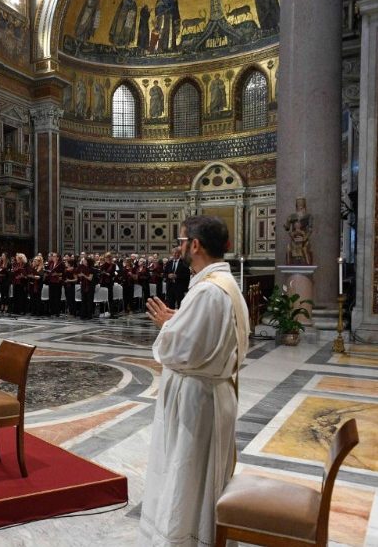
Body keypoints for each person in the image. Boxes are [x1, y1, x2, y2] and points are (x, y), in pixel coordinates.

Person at [138, 215, 250, 547]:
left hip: (198, 402)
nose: (178, 247)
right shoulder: (221, 285)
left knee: (189, 475)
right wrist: (180, 319)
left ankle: (186, 539)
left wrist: (167, 328)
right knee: (197, 476)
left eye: (181, 240)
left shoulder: (207, 291)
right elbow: (205, 335)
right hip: (208, 396)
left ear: (196, 245)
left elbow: (182, 351)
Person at [284, 197, 314, 265]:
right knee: (288, 249)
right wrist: (287, 222)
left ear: (304, 205)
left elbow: (310, 229)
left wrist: (304, 238)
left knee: (305, 249)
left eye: (301, 203)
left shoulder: (308, 216)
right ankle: (289, 266)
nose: (300, 204)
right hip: (294, 239)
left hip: (304, 239)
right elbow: (287, 228)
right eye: (298, 203)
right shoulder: (292, 216)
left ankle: (308, 265)